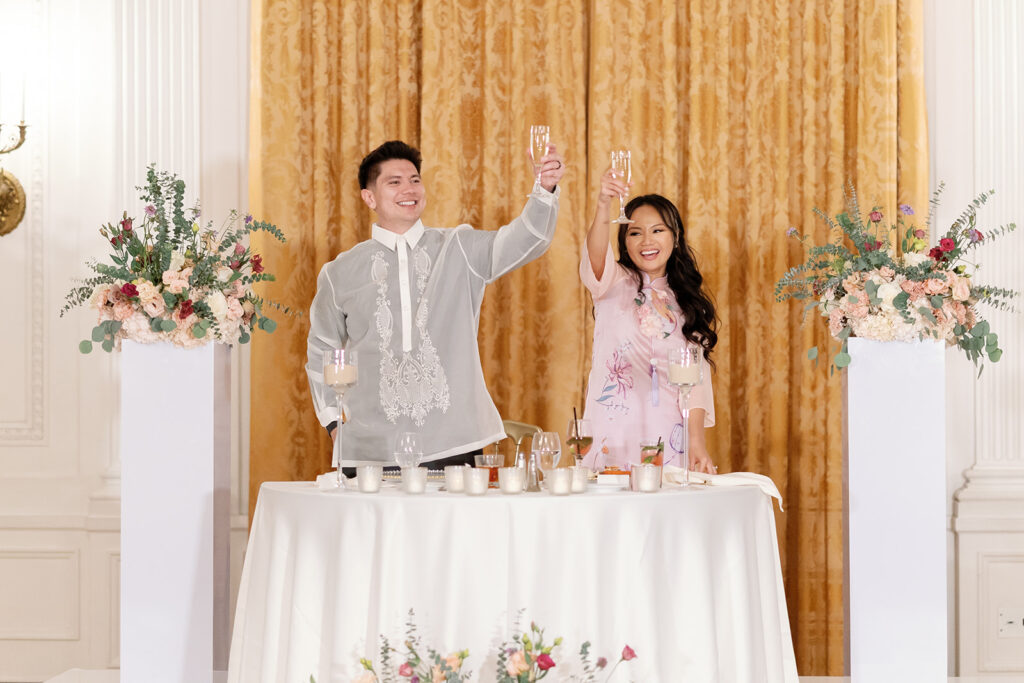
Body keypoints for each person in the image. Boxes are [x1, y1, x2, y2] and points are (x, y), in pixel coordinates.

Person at [306, 140, 565, 472]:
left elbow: (527, 240)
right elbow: (321, 348)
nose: (409, 189)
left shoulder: (458, 247)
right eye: (394, 182)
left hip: (453, 440)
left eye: (415, 179)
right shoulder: (339, 272)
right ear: (369, 197)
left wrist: (544, 189)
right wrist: (331, 420)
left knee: (452, 526)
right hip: (370, 448)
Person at [579, 168, 718, 473]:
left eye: (658, 230)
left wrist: (697, 441)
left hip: (669, 429)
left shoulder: (687, 300)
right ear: (624, 240)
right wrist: (604, 203)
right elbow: (594, 256)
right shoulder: (611, 282)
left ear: (675, 236)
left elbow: (696, 378)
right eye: (635, 232)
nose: (647, 241)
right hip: (614, 428)